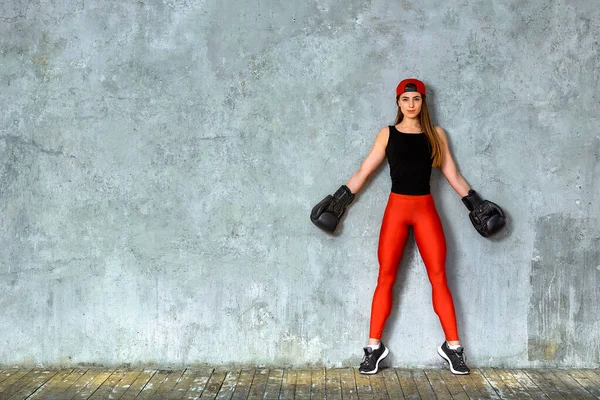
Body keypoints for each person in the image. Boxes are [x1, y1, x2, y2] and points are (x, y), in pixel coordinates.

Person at [310, 78, 506, 375]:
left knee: (439, 278)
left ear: (423, 102)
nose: (411, 104)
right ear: (398, 103)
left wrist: (476, 203)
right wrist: (339, 201)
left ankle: (453, 349)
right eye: (405, 99)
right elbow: (365, 169)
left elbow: (452, 174)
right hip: (397, 211)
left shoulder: (436, 134)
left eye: (416, 99)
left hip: (425, 209)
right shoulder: (387, 134)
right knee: (385, 277)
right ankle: (373, 349)